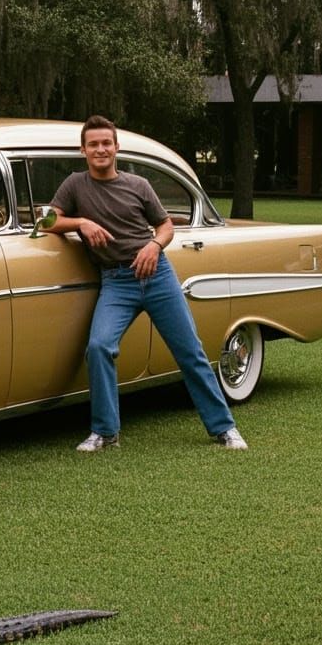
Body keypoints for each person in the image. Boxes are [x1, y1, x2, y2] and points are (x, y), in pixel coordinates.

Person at [47, 114, 247, 453]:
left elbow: (165, 226)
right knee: (99, 347)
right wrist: (81, 222)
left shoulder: (138, 185)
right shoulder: (75, 185)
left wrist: (154, 246)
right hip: (116, 281)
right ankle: (105, 433)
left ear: (116, 147)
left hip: (157, 277)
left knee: (190, 351)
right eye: (93, 144)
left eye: (106, 143)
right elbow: (47, 220)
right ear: (83, 150)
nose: (100, 149)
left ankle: (224, 428)